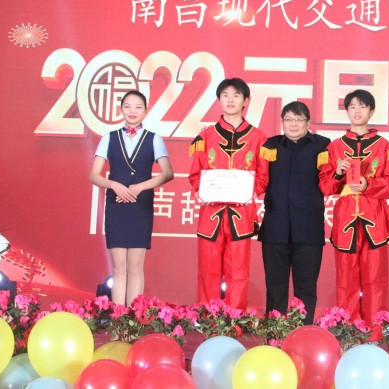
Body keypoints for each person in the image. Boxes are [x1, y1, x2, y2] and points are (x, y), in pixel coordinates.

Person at [319, 89, 389, 322]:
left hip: (374, 220)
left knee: (375, 280)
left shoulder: (384, 147)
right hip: (345, 220)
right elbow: (325, 187)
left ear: (371, 111)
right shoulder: (334, 147)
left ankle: (375, 332)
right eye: (352, 107)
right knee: (345, 280)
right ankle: (348, 332)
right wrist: (338, 173)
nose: (357, 111)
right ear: (347, 111)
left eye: (363, 106)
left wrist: (368, 184)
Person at [188, 77, 269, 309]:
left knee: (238, 273)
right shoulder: (205, 137)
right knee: (207, 271)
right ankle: (208, 319)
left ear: (246, 100)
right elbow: (195, 175)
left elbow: (263, 178)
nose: (230, 100)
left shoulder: (258, 138)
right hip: (210, 216)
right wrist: (202, 189)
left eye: (236, 95)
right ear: (218, 100)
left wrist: (243, 191)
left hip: (241, 216)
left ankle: (234, 320)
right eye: (225, 95)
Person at [89, 90, 174, 306]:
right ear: (121, 110)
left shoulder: (154, 139)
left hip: (140, 206)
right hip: (116, 206)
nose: (132, 111)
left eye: (138, 107)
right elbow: (94, 175)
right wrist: (113, 185)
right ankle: (119, 318)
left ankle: (133, 319)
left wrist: (140, 188)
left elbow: (167, 173)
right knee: (118, 267)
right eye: (127, 106)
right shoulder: (109, 137)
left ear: (145, 111)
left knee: (136, 266)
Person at [259, 101, 331, 324]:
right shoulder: (270, 145)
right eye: (288, 119)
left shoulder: (323, 146)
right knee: (275, 287)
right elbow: (257, 178)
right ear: (282, 122)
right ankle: (274, 333)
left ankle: (303, 333)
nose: (293, 124)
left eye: (298, 119)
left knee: (306, 288)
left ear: (308, 123)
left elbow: (330, 181)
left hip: (308, 230)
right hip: (275, 229)